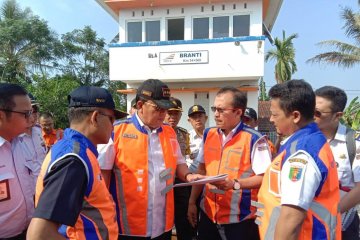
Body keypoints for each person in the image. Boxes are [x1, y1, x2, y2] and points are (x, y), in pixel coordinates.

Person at [98, 79, 203, 240]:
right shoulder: (117, 131)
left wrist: (189, 176)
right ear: (140, 105)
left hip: (163, 225)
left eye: (166, 109)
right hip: (127, 228)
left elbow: (179, 162)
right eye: (158, 109)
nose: (164, 114)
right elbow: (102, 179)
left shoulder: (169, 133)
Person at [26, 86, 127, 240]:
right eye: (111, 119)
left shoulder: (79, 152)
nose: (113, 126)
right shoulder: (73, 160)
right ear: (94, 117)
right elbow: (39, 235)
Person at [255, 80, 341, 240]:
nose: (271, 120)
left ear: (295, 116)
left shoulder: (302, 152)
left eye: (274, 114)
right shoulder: (306, 142)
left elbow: (291, 218)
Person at [187, 86, 272, 240]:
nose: (215, 115)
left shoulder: (255, 139)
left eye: (221, 110)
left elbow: (265, 178)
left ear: (238, 112)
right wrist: (192, 201)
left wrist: (234, 184)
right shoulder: (209, 134)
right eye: (214, 109)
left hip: (239, 220)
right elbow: (201, 170)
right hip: (208, 215)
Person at [314, 86, 360, 240]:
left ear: (337, 115)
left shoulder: (354, 142)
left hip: (342, 225)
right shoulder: (304, 140)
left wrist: (331, 213)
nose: (311, 116)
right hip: (309, 224)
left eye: (317, 113)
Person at [0, 83, 33, 239]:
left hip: (28, 231)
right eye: (25, 114)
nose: (31, 119)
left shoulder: (23, 143)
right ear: (1, 116)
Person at [164, 97, 195, 240]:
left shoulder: (183, 134)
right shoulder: (156, 133)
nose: (172, 117)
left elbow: (185, 158)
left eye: (176, 113)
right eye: (169, 113)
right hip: (162, 182)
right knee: (163, 221)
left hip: (180, 181)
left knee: (184, 220)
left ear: (180, 115)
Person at [12, 93, 47, 195]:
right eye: (30, 111)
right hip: (27, 193)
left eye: (35, 110)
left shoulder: (39, 131)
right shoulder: (14, 137)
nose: (34, 114)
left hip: (45, 187)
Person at [187, 104, 208, 170]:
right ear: (189, 121)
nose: (197, 119)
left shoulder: (213, 136)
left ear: (206, 118)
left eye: (200, 116)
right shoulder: (186, 138)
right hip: (191, 176)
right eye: (194, 117)